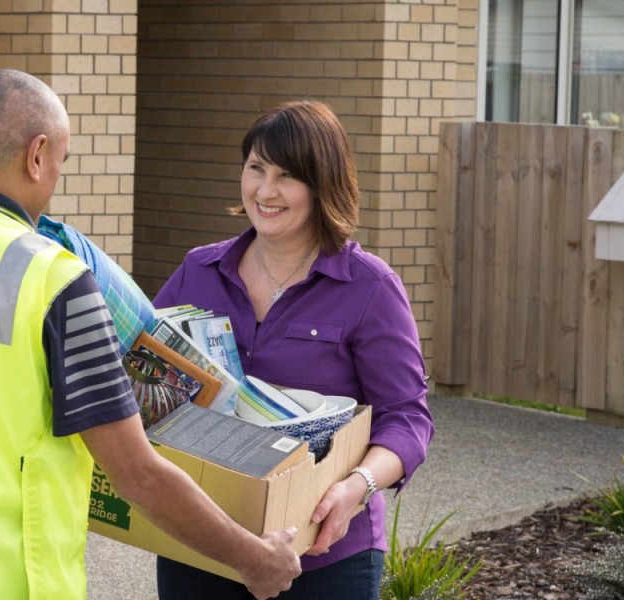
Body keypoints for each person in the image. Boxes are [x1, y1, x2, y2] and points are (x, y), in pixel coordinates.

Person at [0, 69, 301, 600]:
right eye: (61, 161)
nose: (56, 176)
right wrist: (255, 559)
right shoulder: (54, 277)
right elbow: (136, 474)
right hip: (4, 582)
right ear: (36, 155)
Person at [152, 100, 435, 599]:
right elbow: (143, 375)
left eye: (287, 176)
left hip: (325, 551)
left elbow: (407, 420)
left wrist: (356, 489)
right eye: (256, 168)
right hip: (204, 540)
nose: (265, 191)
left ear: (323, 184)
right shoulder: (198, 272)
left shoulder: (369, 288)